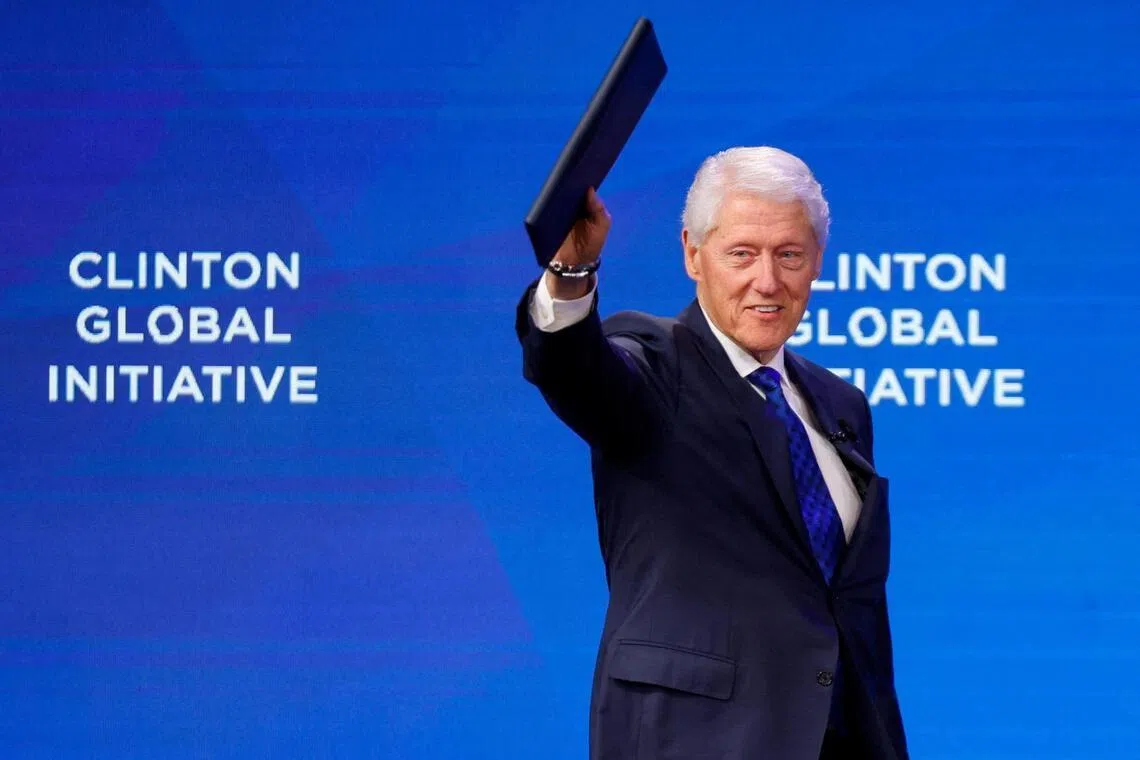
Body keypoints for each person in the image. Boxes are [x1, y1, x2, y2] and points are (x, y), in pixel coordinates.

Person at [516, 146, 908, 760]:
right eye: (742, 254)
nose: (768, 281)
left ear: (816, 265)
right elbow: (575, 368)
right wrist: (572, 272)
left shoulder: (842, 405)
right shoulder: (654, 361)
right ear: (693, 256)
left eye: (790, 255)